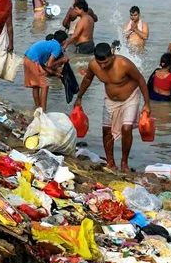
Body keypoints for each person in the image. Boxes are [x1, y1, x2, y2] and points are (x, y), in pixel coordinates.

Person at [75, 43, 152, 171]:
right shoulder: (93, 65)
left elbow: (140, 80)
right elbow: (87, 79)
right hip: (110, 100)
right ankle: (110, 162)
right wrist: (79, 97)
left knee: (126, 128)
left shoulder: (124, 64)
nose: (103, 66)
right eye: (100, 63)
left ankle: (124, 162)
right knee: (106, 130)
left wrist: (147, 103)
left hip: (130, 98)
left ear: (112, 56)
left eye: (105, 62)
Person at [23, 31, 69, 111]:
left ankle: (37, 108)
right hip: (33, 61)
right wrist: (62, 60)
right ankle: (43, 110)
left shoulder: (49, 43)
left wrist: (54, 73)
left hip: (27, 59)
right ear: (64, 41)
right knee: (45, 86)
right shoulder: (57, 46)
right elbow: (49, 64)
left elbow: (43, 65)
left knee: (35, 86)